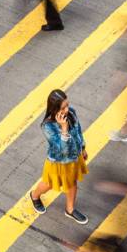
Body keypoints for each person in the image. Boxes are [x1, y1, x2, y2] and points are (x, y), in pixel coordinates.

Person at [30, 89, 89, 223]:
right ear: (54, 109)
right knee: (49, 184)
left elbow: (78, 131)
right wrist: (64, 129)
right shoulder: (48, 126)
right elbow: (63, 151)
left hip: (74, 157)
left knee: (72, 182)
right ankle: (34, 196)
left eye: (67, 105)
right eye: (63, 108)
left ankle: (70, 209)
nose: (67, 109)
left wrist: (83, 147)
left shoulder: (72, 112)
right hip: (58, 162)